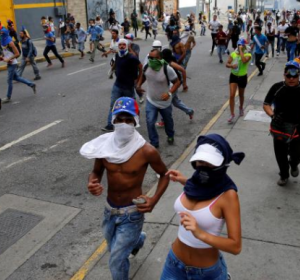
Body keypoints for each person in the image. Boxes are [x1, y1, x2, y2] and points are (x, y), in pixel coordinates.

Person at [80, 97, 170, 280]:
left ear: (135, 121)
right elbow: (96, 171)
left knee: (116, 259)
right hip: (109, 210)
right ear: (113, 120)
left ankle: (134, 241)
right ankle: (138, 240)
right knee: (113, 247)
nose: (124, 124)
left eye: (128, 119)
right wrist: (92, 182)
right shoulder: (104, 146)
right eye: (119, 119)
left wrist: (154, 200)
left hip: (132, 213)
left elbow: (165, 175)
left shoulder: (147, 151)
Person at [160, 134, 243, 280]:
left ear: (222, 164)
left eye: (210, 163)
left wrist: (200, 233)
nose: (203, 167)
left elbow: (235, 246)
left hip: (205, 273)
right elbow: (204, 190)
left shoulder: (228, 195)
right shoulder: (196, 182)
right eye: (200, 161)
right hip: (174, 263)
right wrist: (183, 180)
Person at [263, 61, 300, 186]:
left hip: (297, 127)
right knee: (280, 153)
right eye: (288, 76)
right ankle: (284, 175)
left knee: (298, 153)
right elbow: (266, 104)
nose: (291, 79)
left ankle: (293, 164)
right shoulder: (276, 88)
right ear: (284, 75)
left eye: (295, 76)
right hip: (279, 126)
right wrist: (272, 115)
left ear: (299, 75)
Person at [136, 49, 180, 148]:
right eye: (149, 58)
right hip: (151, 100)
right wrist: (138, 85)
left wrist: (169, 93)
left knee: (168, 121)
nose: (151, 60)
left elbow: (177, 82)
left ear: (160, 58)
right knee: (150, 121)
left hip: (165, 102)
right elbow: (143, 76)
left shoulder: (167, 69)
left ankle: (170, 135)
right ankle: (154, 142)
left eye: (153, 58)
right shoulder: (147, 66)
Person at [102, 39, 142, 132]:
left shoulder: (132, 57)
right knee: (113, 105)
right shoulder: (117, 55)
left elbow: (141, 67)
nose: (122, 46)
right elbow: (116, 64)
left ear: (127, 46)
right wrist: (111, 71)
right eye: (120, 45)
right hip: (117, 85)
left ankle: (135, 121)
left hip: (128, 87)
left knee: (131, 105)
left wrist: (138, 83)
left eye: (124, 45)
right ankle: (110, 125)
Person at [0, 28, 36, 103]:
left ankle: (8, 97)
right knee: (16, 77)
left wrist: (8, 59)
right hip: (9, 62)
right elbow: (5, 51)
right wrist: (2, 56)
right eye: (0, 34)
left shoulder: (10, 42)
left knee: (9, 80)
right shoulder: (3, 40)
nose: (1, 35)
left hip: (12, 63)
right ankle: (31, 84)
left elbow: (17, 53)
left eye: (2, 34)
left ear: (5, 34)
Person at [226, 38, 252, 122]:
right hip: (233, 76)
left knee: (241, 95)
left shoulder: (248, 54)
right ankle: (232, 113)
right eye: (239, 45)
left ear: (245, 46)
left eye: (241, 45)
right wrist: (231, 66)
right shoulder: (233, 54)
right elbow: (227, 63)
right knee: (232, 95)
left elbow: (244, 61)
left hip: (242, 77)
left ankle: (241, 107)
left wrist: (241, 50)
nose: (240, 47)